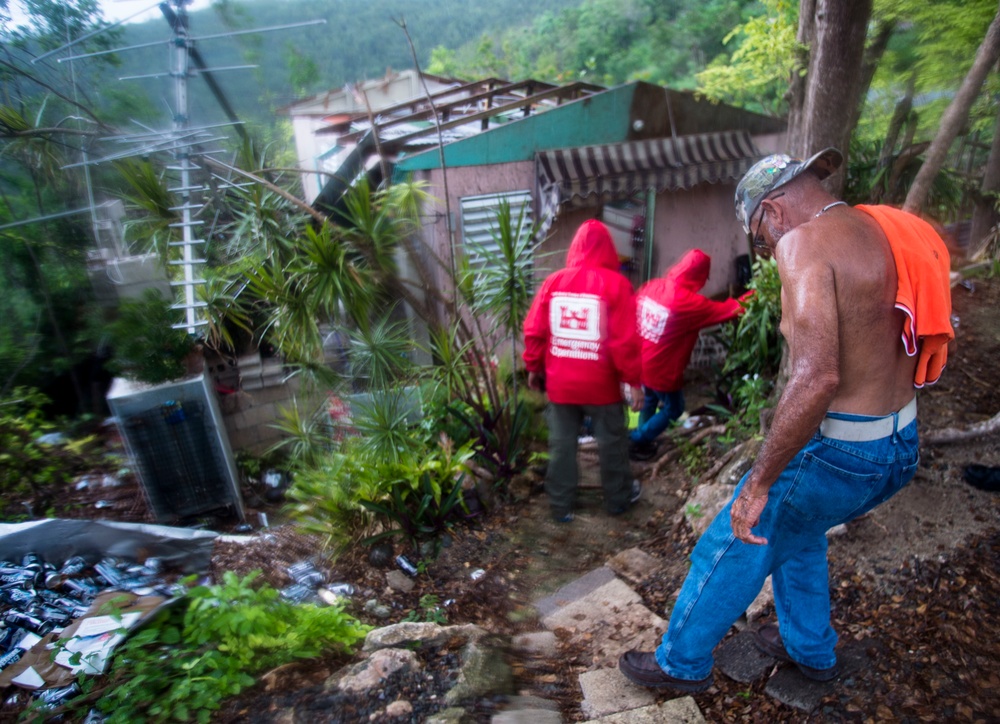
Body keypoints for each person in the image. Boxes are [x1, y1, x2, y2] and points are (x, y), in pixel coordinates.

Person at [618, 148, 953, 692]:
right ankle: (811, 648)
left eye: (759, 240)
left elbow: (817, 376)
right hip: (900, 444)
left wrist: (759, 481)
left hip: (845, 450)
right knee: (800, 529)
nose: (767, 251)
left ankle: (680, 663)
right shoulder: (881, 228)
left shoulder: (803, 243)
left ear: (772, 213)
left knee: (738, 534)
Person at [523, 219, 644, 523]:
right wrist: (633, 382)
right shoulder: (617, 285)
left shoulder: (553, 282)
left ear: (574, 247)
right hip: (601, 386)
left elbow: (535, 330)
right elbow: (624, 342)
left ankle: (561, 507)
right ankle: (618, 500)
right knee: (612, 444)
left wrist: (534, 367)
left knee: (562, 446)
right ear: (609, 250)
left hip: (561, 385)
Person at [629, 249, 750, 461]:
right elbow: (729, 310)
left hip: (640, 361)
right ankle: (637, 439)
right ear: (699, 276)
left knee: (649, 401)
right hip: (662, 371)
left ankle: (641, 444)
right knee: (675, 408)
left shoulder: (654, 286)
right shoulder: (688, 303)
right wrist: (756, 293)